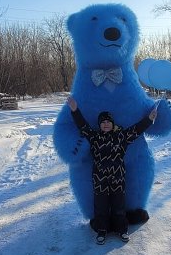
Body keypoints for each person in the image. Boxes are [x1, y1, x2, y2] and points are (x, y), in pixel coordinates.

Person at [67, 96, 157, 245]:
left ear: (112, 123)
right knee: (100, 206)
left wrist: (149, 119)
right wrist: (75, 110)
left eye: (108, 121)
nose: (106, 124)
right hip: (100, 180)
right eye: (103, 122)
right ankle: (102, 230)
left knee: (119, 206)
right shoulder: (94, 137)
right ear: (100, 125)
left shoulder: (121, 137)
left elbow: (137, 129)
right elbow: (82, 126)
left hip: (118, 179)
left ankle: (121, 229)